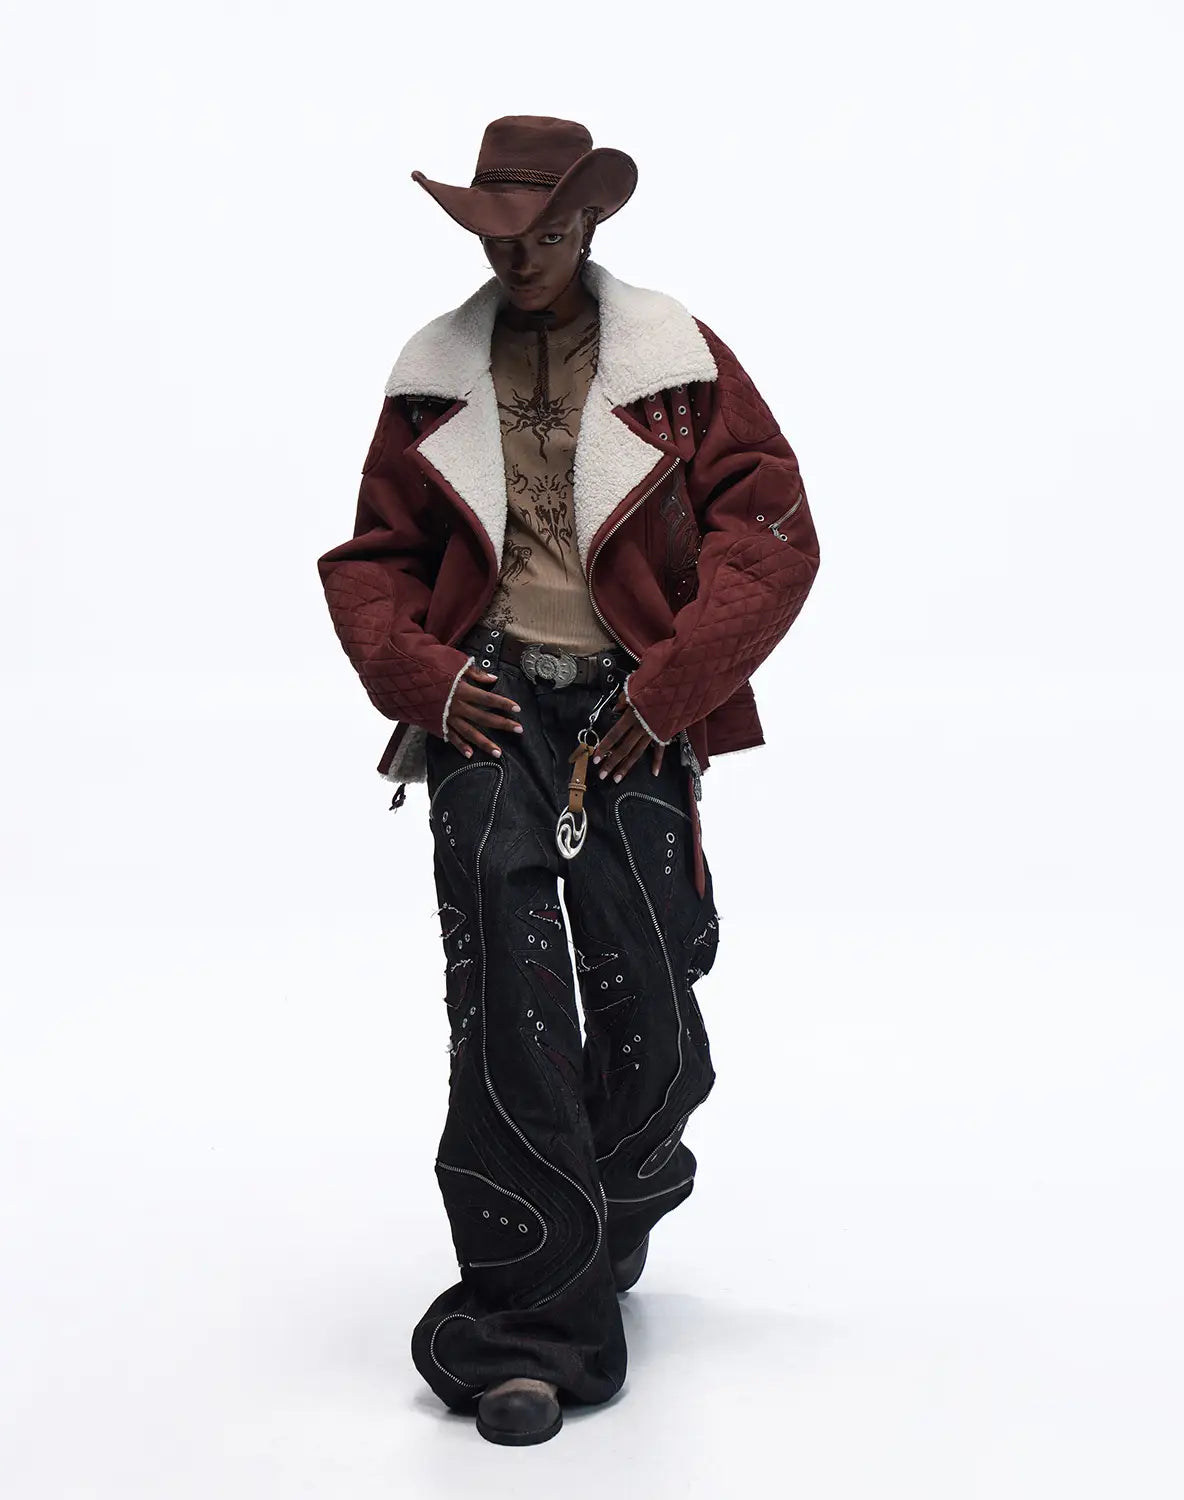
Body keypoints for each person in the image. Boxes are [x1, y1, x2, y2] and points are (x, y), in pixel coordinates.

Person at [317, 115, 820, 1446]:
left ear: (588, 226)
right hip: (486, 708)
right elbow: (373, 559)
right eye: (500, 236)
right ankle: (530, 1327)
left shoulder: (675, 360)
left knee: (654, 990)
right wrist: (425, 679)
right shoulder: (432, 374)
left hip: (630, 711)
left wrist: (670, 689)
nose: (522, 257)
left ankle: (604, 1205)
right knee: (508, 997)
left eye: (545, 233)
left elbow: (771, 534)